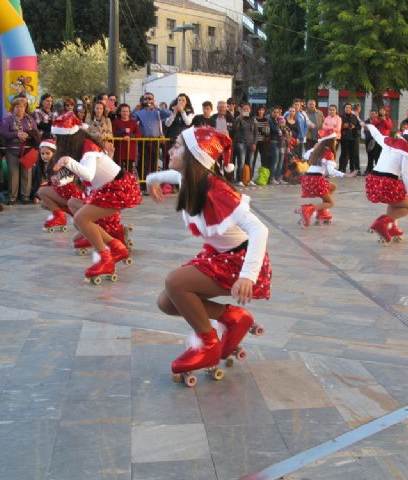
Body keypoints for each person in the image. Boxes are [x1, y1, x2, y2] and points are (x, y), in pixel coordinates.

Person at [145, 126, 271, 386]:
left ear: (194, 156)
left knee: (175, 282)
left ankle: (207, 344)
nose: (171, 149)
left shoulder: (217, 191)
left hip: (241, 262)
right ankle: (233, 318)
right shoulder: (191, 179)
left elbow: (260, 229)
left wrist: (248, 276)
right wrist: (152, 179)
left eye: (178, 146)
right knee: (167, 303)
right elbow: (172, 174)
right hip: (221, 257)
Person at [51, 112, 141, 283]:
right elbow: (80, 173)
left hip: (117, 189)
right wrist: (61, 179)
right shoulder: (82, 149)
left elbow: (89, 174)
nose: (57, 142)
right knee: (76, 210)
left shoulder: (89, 148)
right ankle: (116, 247)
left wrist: (66, 160)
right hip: (107, 189)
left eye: (58, 138)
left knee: (81, 219)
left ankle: (106, 258)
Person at [365, 123, 408, 243]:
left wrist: (369, 125)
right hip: (388, 182)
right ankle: (381, 223)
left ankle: (392, 227)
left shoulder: (389, 141)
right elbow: (406, 174)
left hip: (374, 180)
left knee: (395, 202)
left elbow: (376, 134)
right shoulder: (406, 150)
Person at [297, 132, 354, 227]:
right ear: (330, 141)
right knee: (330, 203)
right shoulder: (328, 153)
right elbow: (331, 172)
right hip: (316, 179)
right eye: (335, 140)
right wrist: (345, 175)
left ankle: (322, 213)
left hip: (307, 179)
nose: (336, 142)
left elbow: (305, 156)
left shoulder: (316, 151)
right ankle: (308, 209)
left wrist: (313, 148)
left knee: (332, 187)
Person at [35, 138, 84, 232]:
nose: (44, 156)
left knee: (41, 191)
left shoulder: (60, 163)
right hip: (61, 192)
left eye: (47, 153)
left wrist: (60, 181)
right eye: (42, 153)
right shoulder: (46, 165)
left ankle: (61, 217)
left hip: (69, 194)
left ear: (54, 153)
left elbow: (70, 176)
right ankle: (70, 214)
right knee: (44, 204)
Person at [0, 97, 40, 204]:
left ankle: (25, 197)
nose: (19, 109)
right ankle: (12, 197)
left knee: (27, 173)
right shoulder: (8, 120)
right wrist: (16, 134)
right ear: (13, 108)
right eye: (17, 106)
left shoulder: (30, 119)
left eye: (22, 106)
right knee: (13, 173)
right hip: (12, 150)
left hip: (28, 150)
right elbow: (3, 133)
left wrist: (28, 135)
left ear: (25, 107)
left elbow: (36, 133)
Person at [132, 92, 170, 182]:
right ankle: (144, 184)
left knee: (154, 163)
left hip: (155, 140)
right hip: (144, 140)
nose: (148, 100)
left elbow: (169, 114)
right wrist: (135, 109)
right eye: (146, 99)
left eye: (150, 98)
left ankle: (153, 183)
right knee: (144, 163)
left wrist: (157, 107)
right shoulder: (139, 112)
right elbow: (131, 119)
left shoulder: (158, 112)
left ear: (153, 100)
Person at [232, 102, 258, 186]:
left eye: (247, 109)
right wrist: (239, 118)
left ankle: (249, 179)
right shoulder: (239, 119)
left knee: (250, 162)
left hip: (251, 143)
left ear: (250, 110)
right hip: (241, 143)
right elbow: (234, 129)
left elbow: (256, 133)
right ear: (241, 110)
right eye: (244, 109)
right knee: (241, 162)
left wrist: (254, 143)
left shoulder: (253, 119)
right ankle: (239, 180)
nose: (246, 110)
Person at [112, 103, 141, 172]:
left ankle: (129, 182)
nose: (125, 113)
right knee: (119, 170)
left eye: (127, 111)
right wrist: (122, 131)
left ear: (129, 112)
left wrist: (130, 136)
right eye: (123, 111)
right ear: (120, 112)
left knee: (129, 170)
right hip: (119, 150)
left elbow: (138, 134)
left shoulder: (133, 122)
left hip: (130, 150)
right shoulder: (116, 122)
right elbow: (113, 133)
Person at [339, 103, 360, 174]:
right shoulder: (341, 117)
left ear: (351, 109)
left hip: (353, 138)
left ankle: (352, 169)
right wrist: (343, 126)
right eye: (346, 107)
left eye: (349, 108)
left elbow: (359, 126)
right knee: (344, 154)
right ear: (344, 109)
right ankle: (342, 169)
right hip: (344, 137)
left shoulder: (354, 116)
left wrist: (354, 126)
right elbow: (338, 127)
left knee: (353, 154)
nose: (348, 109)